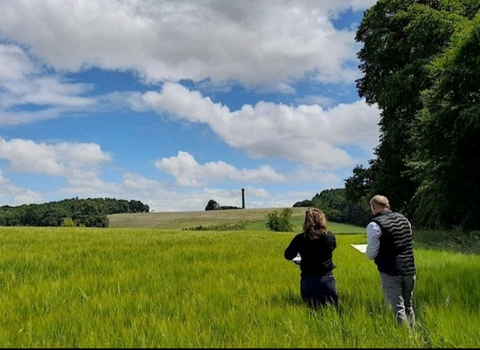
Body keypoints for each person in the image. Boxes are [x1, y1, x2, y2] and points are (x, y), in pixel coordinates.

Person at [366, 195, 416, 328]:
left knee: (397, 308)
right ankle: (414, 333)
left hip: (390, 271)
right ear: (388, 205)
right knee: (408, 305)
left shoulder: (375, 224)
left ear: (374, 207)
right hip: (410, 269)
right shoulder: (404, 220)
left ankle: (406, 339)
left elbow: (371, 253)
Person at [284, 208, 338, 308]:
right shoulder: (329, 236)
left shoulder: (300, 238)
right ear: (322, 220)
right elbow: (333, 247)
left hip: (308, 279)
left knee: (312, 311)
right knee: (331, 311)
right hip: (327, 278)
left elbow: (288, 255)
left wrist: (300, 257)